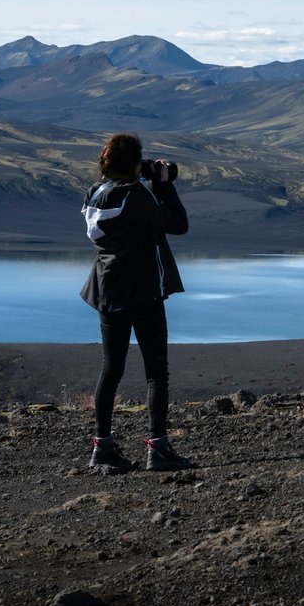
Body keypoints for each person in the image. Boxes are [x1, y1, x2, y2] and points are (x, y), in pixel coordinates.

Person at [80, 132, 191, 473]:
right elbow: (178, 224)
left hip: (107, 289)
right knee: (156, 372)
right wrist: (163, 184)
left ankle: (103, 449)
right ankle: (158, 448)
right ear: (131, 162)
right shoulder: (135, 196)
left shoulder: (94, 194)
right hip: (142, 291)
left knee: (110, 369)